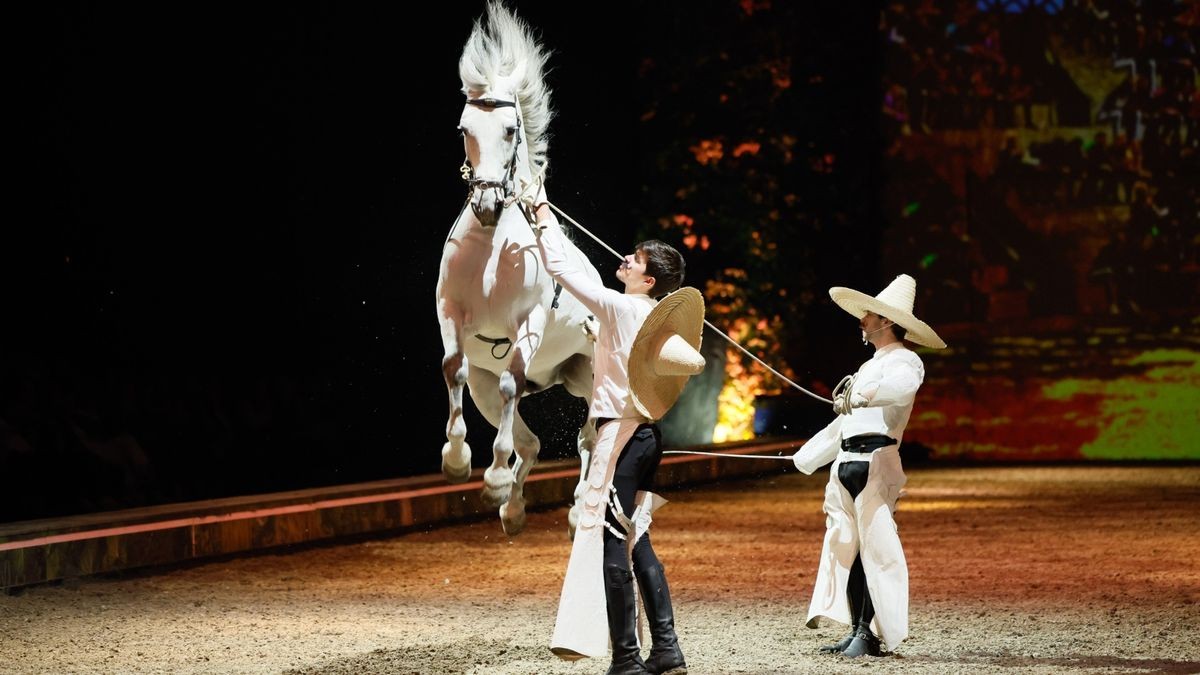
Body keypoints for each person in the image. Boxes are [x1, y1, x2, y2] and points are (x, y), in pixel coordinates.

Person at [528, 191, 703, 675]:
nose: (624, 260)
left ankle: (626, 657)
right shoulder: (646, 320)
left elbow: (562, 268)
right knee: (636, 538)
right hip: (647, 437)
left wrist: (542, 212)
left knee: (609, 540)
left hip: (619, 438)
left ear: (648, 280)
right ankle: (665, 650)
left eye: (635, 260)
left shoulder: (625, 309)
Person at [792, 274, 946, 658]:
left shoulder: (907, 361)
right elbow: (843, 425)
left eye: (870, 315)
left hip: (876, 462)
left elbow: (900, 390)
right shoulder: (866, 367)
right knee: (846, 546)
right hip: (847, 463)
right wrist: (805, 457)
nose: (862, 320)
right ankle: (857, 629)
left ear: (886, 322)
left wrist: (862, 396)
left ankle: (870, 631)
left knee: (875, 549)